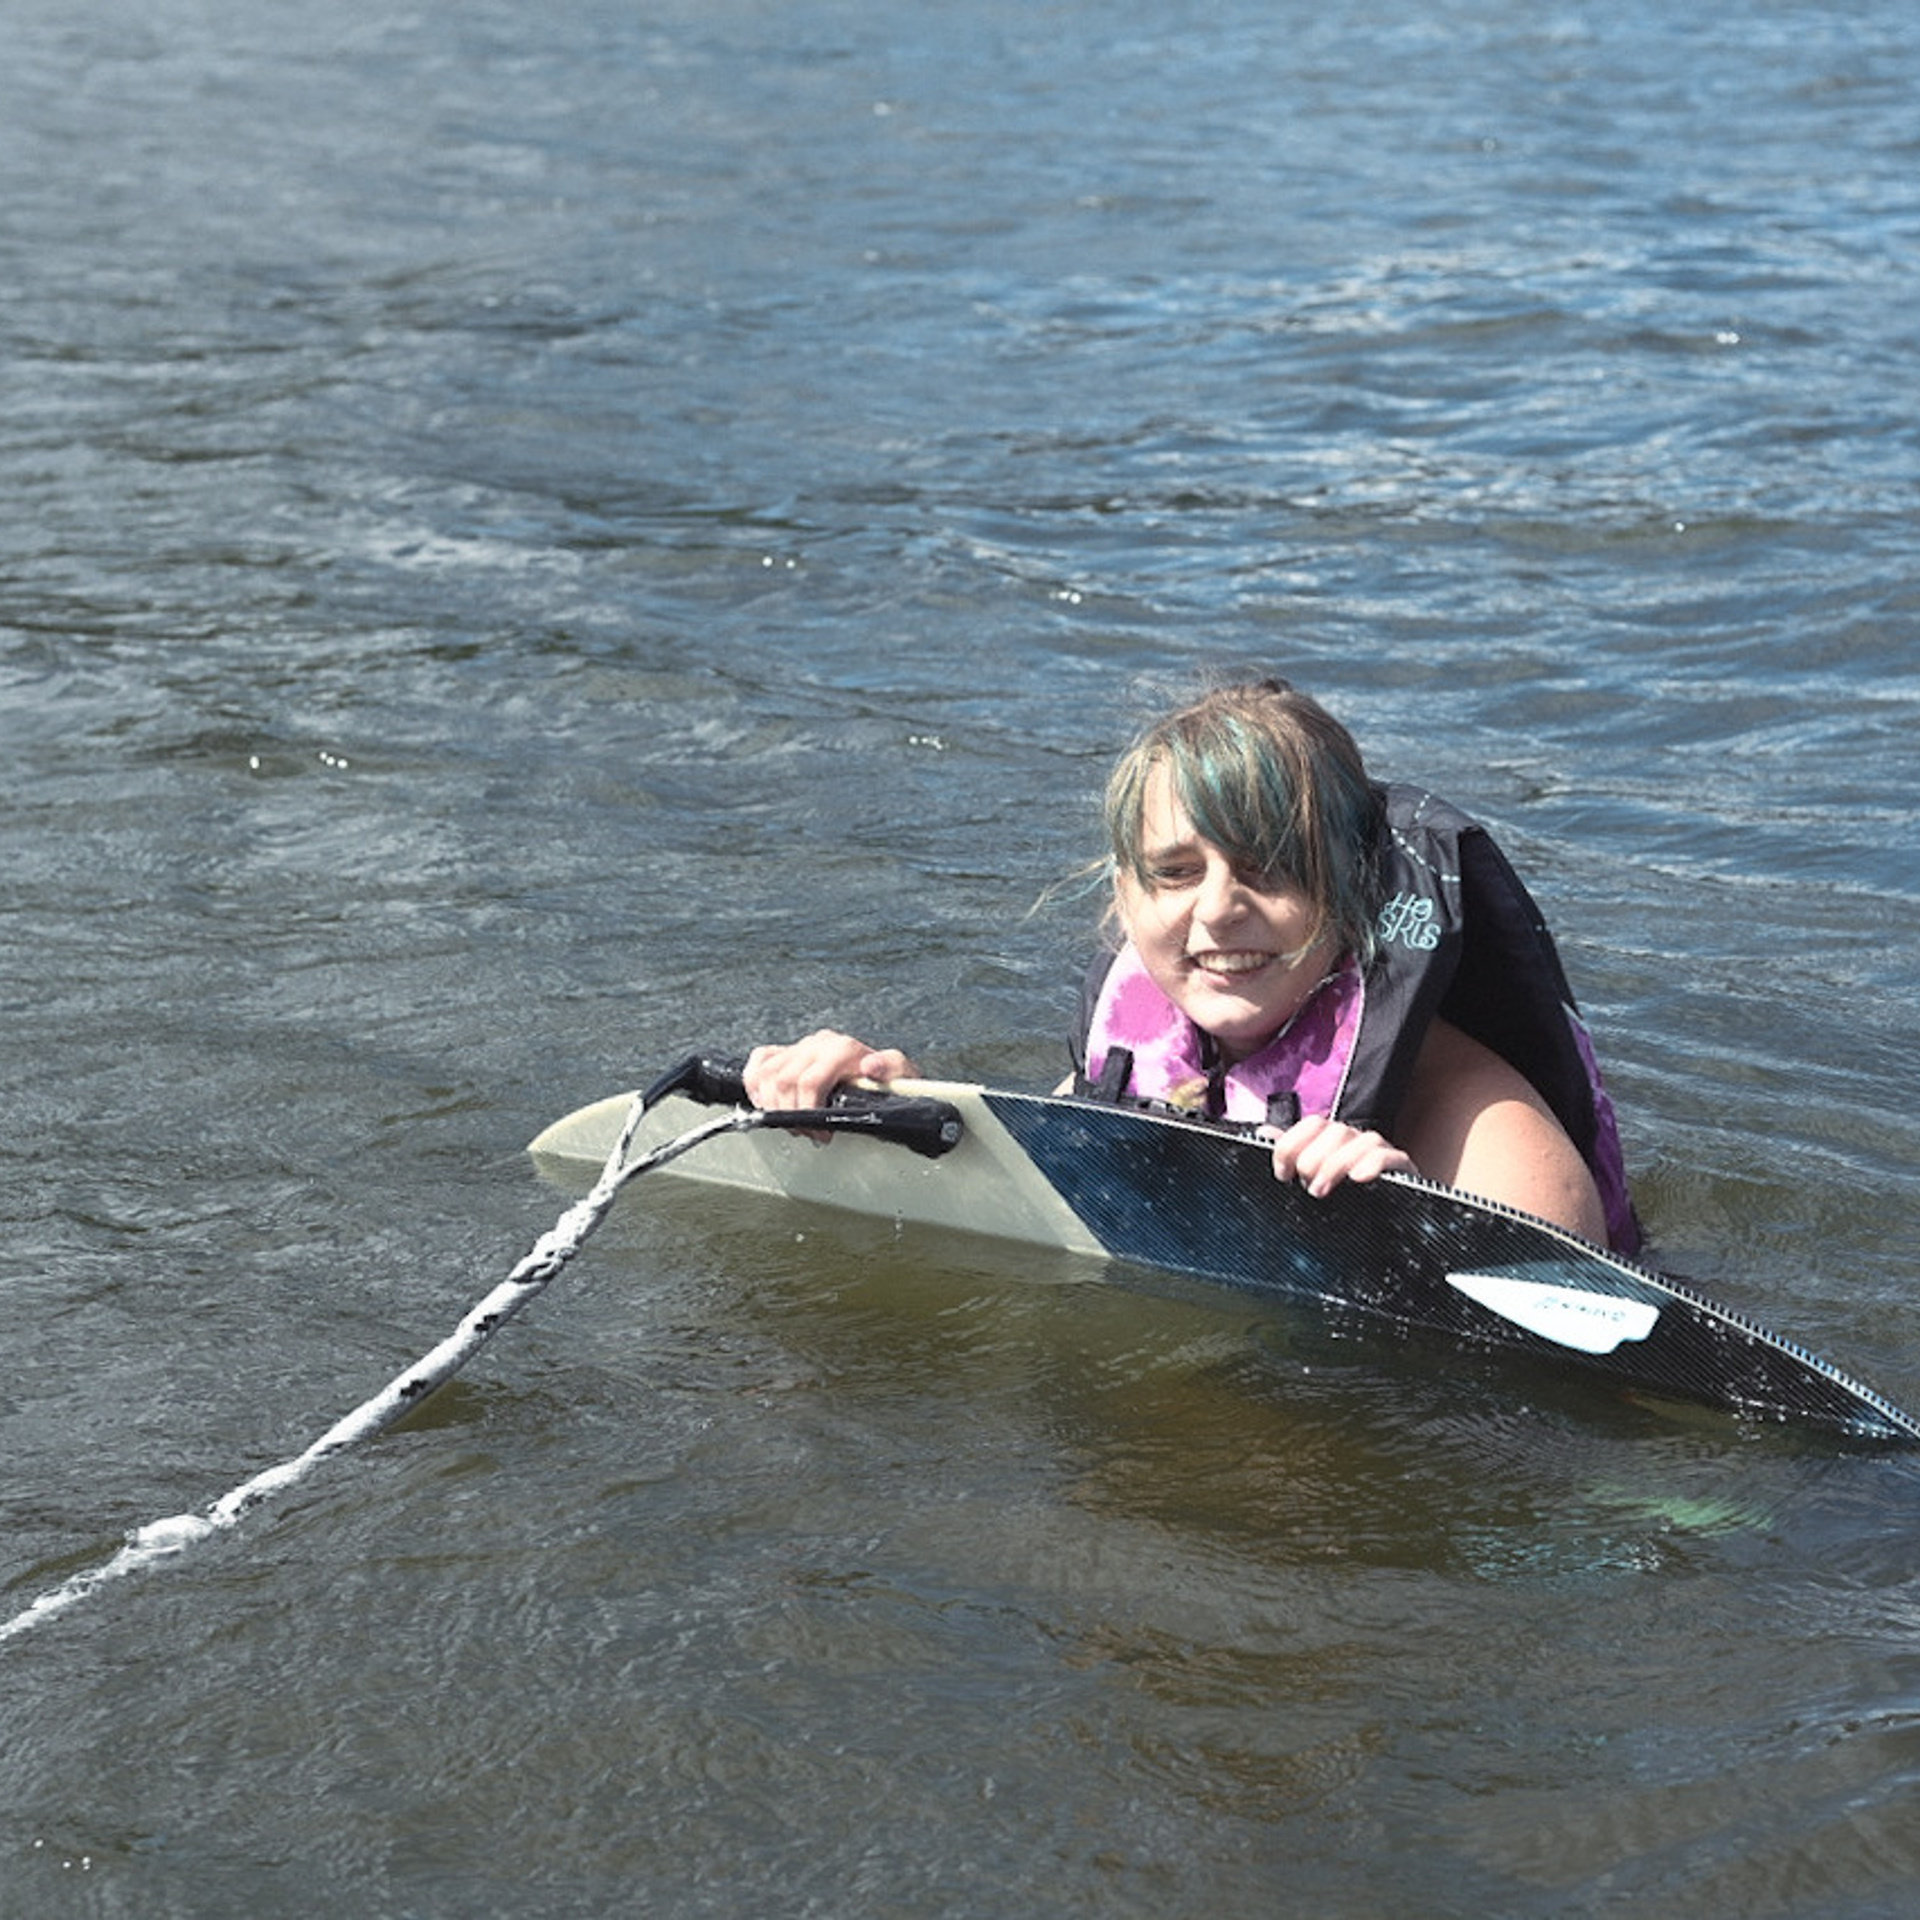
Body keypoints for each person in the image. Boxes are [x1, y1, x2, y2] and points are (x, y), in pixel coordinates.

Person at [745, 678, 1638, 1253]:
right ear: (1123, 900)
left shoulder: (1490, 1135)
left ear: (1352, 894)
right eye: (1174, 873)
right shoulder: (1132, 1060)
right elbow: (1020, 1209)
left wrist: (1407, 1229)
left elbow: (1559, 1416)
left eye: (1272, 868)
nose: (1216, 910)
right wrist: (882, 1103)